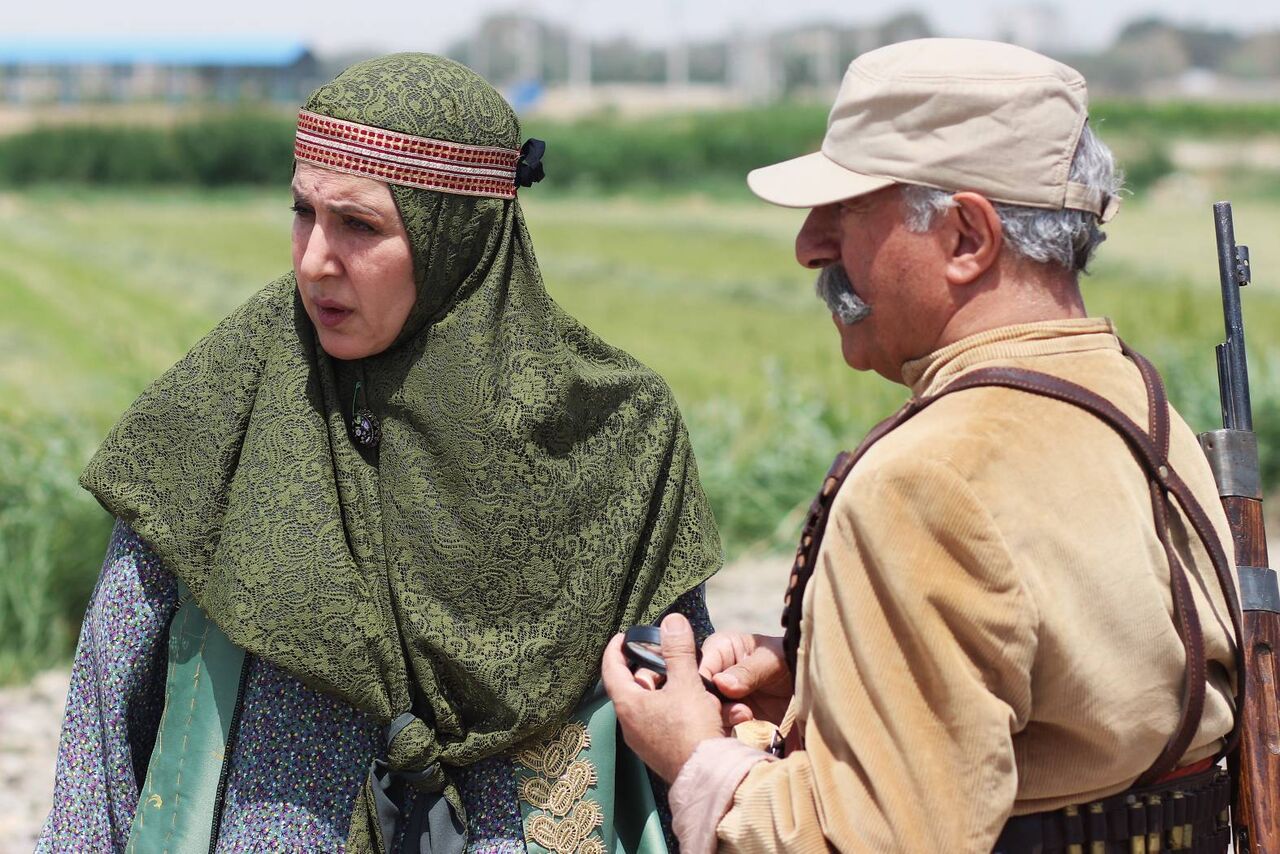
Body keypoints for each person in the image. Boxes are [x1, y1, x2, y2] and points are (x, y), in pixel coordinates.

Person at [40, 53, 721, 853]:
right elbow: (105, 700)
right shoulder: (227, 402)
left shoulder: (613, 435)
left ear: (457, 237)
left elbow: (682, 711)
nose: (314, 259)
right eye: (303, 212)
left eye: (359, 225)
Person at [602, 38, 1242, 853]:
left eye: (847, 211)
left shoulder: (925, 482)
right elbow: (1084, 721)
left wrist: (697, 755)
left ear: (968, 237)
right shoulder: (1140, 405)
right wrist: (829, 680)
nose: (810, 245)